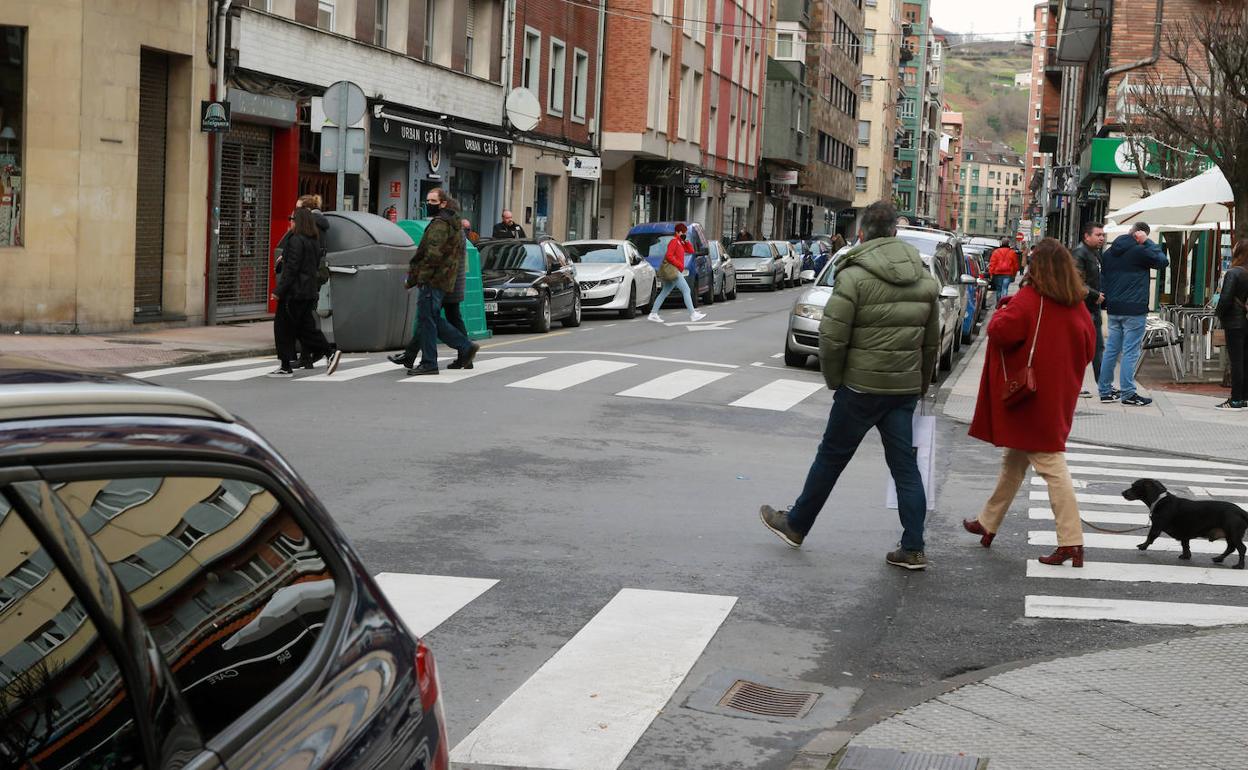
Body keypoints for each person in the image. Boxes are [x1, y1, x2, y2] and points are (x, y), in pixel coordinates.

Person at [758, 200, 940, 571]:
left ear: (863, 234)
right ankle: (913, 547)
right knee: (905, 467)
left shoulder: (853, 274)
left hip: (859, 387)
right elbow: (931, 341)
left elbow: (832, 337)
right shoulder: (924, 276)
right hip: (902, 389)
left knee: (831, 458)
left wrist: (836, 380)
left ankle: (796, 524)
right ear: (893, 232)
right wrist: (918, 385)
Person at [963, 238, 1095, 567]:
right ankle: (988, 521)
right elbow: (1090, 347)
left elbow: (1001, 332)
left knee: (1051, 466)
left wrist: (1004, 307)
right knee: (1014, 460)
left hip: (1031, 399)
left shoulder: (1031, 297)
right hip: (1056, 396)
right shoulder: (1076, 302)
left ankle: (1071, 541)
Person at [392, 188, 479, 376]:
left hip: (433, 280)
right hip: (441, 279)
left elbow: (432, 254)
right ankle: (425, 357)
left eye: (432, 201)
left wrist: (420, 278)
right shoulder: (451, 223)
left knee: (429, 319)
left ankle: (440, 357)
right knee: (429, 319)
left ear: (443, 203)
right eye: (427, 200)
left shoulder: (440, 224)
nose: (428, 204)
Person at [1097, 221, 1168, 406]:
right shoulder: (1140, 251)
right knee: (1130, 351)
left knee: (1112, 349)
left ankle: (1105, 391)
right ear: (1140, 235)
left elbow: (1103, 278)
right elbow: (1162, 261)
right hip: (1134, 309)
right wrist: (1148, 242)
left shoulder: (1109, 253)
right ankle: (1128, 393)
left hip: (1114, 308)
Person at [269, 207, 342, 378]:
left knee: (283, 328)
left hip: (294, 293)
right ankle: (329, 353)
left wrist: (279, 291)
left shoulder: (296, 241)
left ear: (299, 221)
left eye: (292, 219)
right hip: (308, 292)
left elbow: (291, 270)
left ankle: (285, 366)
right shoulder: (313, 241)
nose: (290, 222)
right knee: (305, 328)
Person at [1071, 221, 1106, 397]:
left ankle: (1103, 385)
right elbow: (1077, 282)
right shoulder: (1080, 253)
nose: (1102, 238)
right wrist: (1094, 294)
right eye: (1098, 235)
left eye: (1102, 235)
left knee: (1097, 347)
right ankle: (1074, 384)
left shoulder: (1095, 254)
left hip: (1093, 308)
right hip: (1084, 307)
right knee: (1086, 349)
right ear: (1086, 236)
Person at [647, 223, 707, 323]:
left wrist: (685, 241)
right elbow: (669, 256)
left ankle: (653, 313)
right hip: (673, 270)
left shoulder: (680, 242)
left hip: (675, 270)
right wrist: (679, 265)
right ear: (678, 232)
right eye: (683, 232)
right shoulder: (674, 242)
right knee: (686, 290)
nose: (685, 234)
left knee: (665, 292)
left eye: (685, 233)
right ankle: (693, 314)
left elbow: (691, 250)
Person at [1213, 241, 1248, 409]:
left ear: (1239, 252)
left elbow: (1225, 299)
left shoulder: (1233, 273)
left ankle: (1235, 399)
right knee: (1245, 359)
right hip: (1246, 320)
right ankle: (1245, 397)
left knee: (1236, 361)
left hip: (1235, 321)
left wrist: (1217, 314)